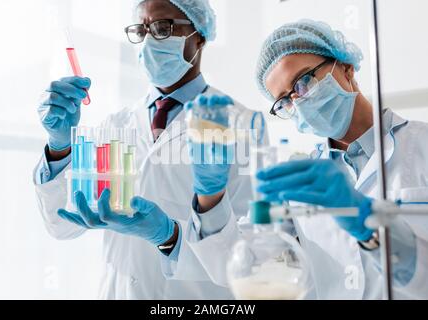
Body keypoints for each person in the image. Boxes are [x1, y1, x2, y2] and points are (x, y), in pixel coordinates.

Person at [34, 0, 264, 299]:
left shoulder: (241, 123)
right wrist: (59, 147)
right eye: (140, 30)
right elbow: (62, 224)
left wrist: (170, 236)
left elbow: (252, 251)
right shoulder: (114, 124)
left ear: (199, 36)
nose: (147, 40)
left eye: (161, 27)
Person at [183, 20, 428, 299]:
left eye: (303, 82)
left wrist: (372, 226)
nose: (297, 103)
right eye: (284, 101)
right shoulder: (301, 182)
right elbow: (240, 265)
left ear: (346, 68)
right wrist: (210, 194)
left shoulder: (422, 145)